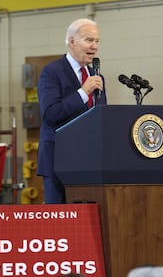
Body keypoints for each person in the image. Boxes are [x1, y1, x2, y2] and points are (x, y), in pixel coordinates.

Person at [37, 18, 107, 204]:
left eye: (97, 41)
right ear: (72, 41)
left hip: (89, 162)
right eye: (89, 40)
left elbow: (101, 119)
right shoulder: (51, 72)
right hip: (58, 162)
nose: (95, 46)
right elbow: (50, 114)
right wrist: (83, 93)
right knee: (60, 222)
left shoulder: (96, 76)